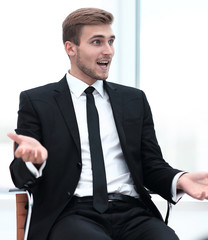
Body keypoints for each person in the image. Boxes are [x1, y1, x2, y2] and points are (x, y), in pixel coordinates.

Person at [8, 8, 208, 240]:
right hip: (71, 213)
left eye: (111, 41)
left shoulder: (134, 100)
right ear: (71, 48)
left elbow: (151, 165)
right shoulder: (37, 101)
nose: (108, 51)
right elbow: (20, 176)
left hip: (133, 212)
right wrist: (34, 161)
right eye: (97, 42)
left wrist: (180, 179)